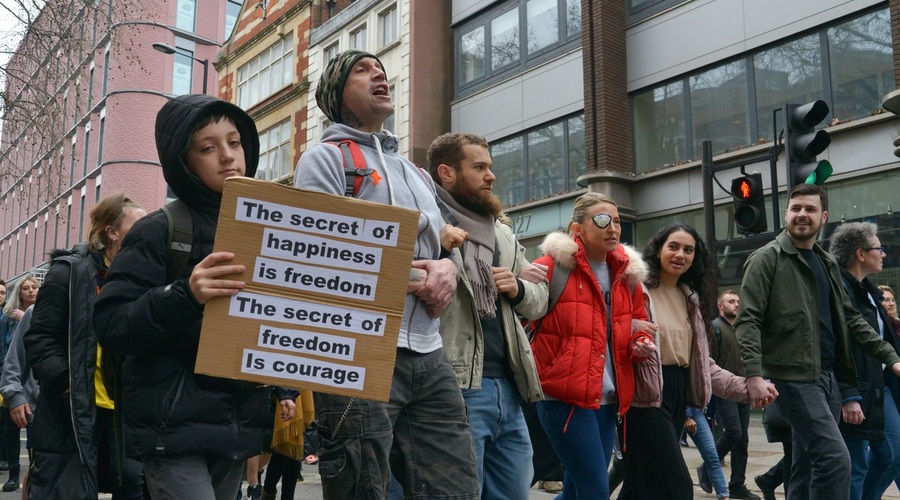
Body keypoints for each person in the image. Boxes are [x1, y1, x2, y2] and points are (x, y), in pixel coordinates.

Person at [293, 49, 478, 499]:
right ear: (337, 93)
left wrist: (448, 272)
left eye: (381, 68)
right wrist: (419, 279)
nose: (379, 73)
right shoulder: (322, 159)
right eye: (362, 70)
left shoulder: (414, 172)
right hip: (359, 349)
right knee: (361, 487)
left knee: (455, 488)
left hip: (429, 353)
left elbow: (440, 251)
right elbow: (318, 258)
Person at [93, 94, 296, 500]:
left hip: (235, 426)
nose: (227, 156)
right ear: (182, 161)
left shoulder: (269, 230)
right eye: (208, 147)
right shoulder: (158, 230)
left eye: (234, 142)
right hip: (171, 430)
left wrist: (280, 387)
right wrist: (185, 294)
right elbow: (113, 323)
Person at [736, 183, 900, 499]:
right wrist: (754, 374)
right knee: (836, 460)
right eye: (795, 208)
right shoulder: (766, 259)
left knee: (807, 465)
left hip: (828, 378)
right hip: (792, 378)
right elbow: (748, 320)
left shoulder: (826, 263)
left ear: (822, 216)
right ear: (786, 214)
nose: (802, 215)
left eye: (810, 209)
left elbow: (852, 320)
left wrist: (891, 357)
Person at [426, 132, 548, 499]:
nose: (491, 176)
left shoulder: (502, 233)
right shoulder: (429, 223)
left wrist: (518, 287)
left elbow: (539, 301)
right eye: (479, 167)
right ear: (446, 173)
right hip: (456, 385)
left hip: (509, 388)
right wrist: (436, 244)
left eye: (490, 167)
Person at [618, 223, 774, 500]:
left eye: (688, 250)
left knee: (639, 486)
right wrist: (632, 330)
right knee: (677, 485)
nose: (680, 255)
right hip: (644, 399)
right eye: (673, 247)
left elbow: (704, 367)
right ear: (657, 250)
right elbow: (611, 331)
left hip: (678, 395)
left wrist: (746, 387)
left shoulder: (689, 298)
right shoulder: (637, 289)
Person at [529, 192, 658, 499]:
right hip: (563, 397)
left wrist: (640, 342)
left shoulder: (627, 276)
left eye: (617, 221)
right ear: (578, 229)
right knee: (594, 489)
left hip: (607, 398)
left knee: (577, 489)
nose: (612, 227)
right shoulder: (551, 267)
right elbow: (525, 315)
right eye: (602, 220)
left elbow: (638, 324)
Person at [23, 193, 146, 499]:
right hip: (75, 409)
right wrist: (68, 382)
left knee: (132, 482)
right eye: (138, 226)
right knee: (72, 487)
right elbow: (39, 339)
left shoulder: (139, 277)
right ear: (112, 231)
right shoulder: (68, 272)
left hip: (123, 409)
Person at [829, 222, 900, 500]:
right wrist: (848, 395)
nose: (883, 254)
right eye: (878, 248)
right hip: (855, 389)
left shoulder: (869, 292)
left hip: (879, 386)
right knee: (856, 466)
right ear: (860, 253)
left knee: (891, 457)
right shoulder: (841, 291)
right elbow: (838, 347)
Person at [701, 290, 759, 499]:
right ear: (720, 306)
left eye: (737, 301)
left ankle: (737, 484)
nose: (736, 304)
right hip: (725, 390)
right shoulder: (715, 328)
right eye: (730, 301)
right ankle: (707, 467)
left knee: (742, 439)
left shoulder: (742, 329)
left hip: (744, 388)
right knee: (734, 433)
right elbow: (709, 363)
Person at [0, 275, 38, 492]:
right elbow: (8, 352)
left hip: (27, 385)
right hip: (12, 379)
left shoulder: (36, 314)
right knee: (11, 429)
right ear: (19, 292)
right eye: (26, 288)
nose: (31, 291)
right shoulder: (7, 318)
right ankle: (13, 473)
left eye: (34, 287)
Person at [684, 406, 731, 499]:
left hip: (696, 409)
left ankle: (723, 495)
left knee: (712, 456)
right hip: (675, 409)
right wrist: (687, 415)